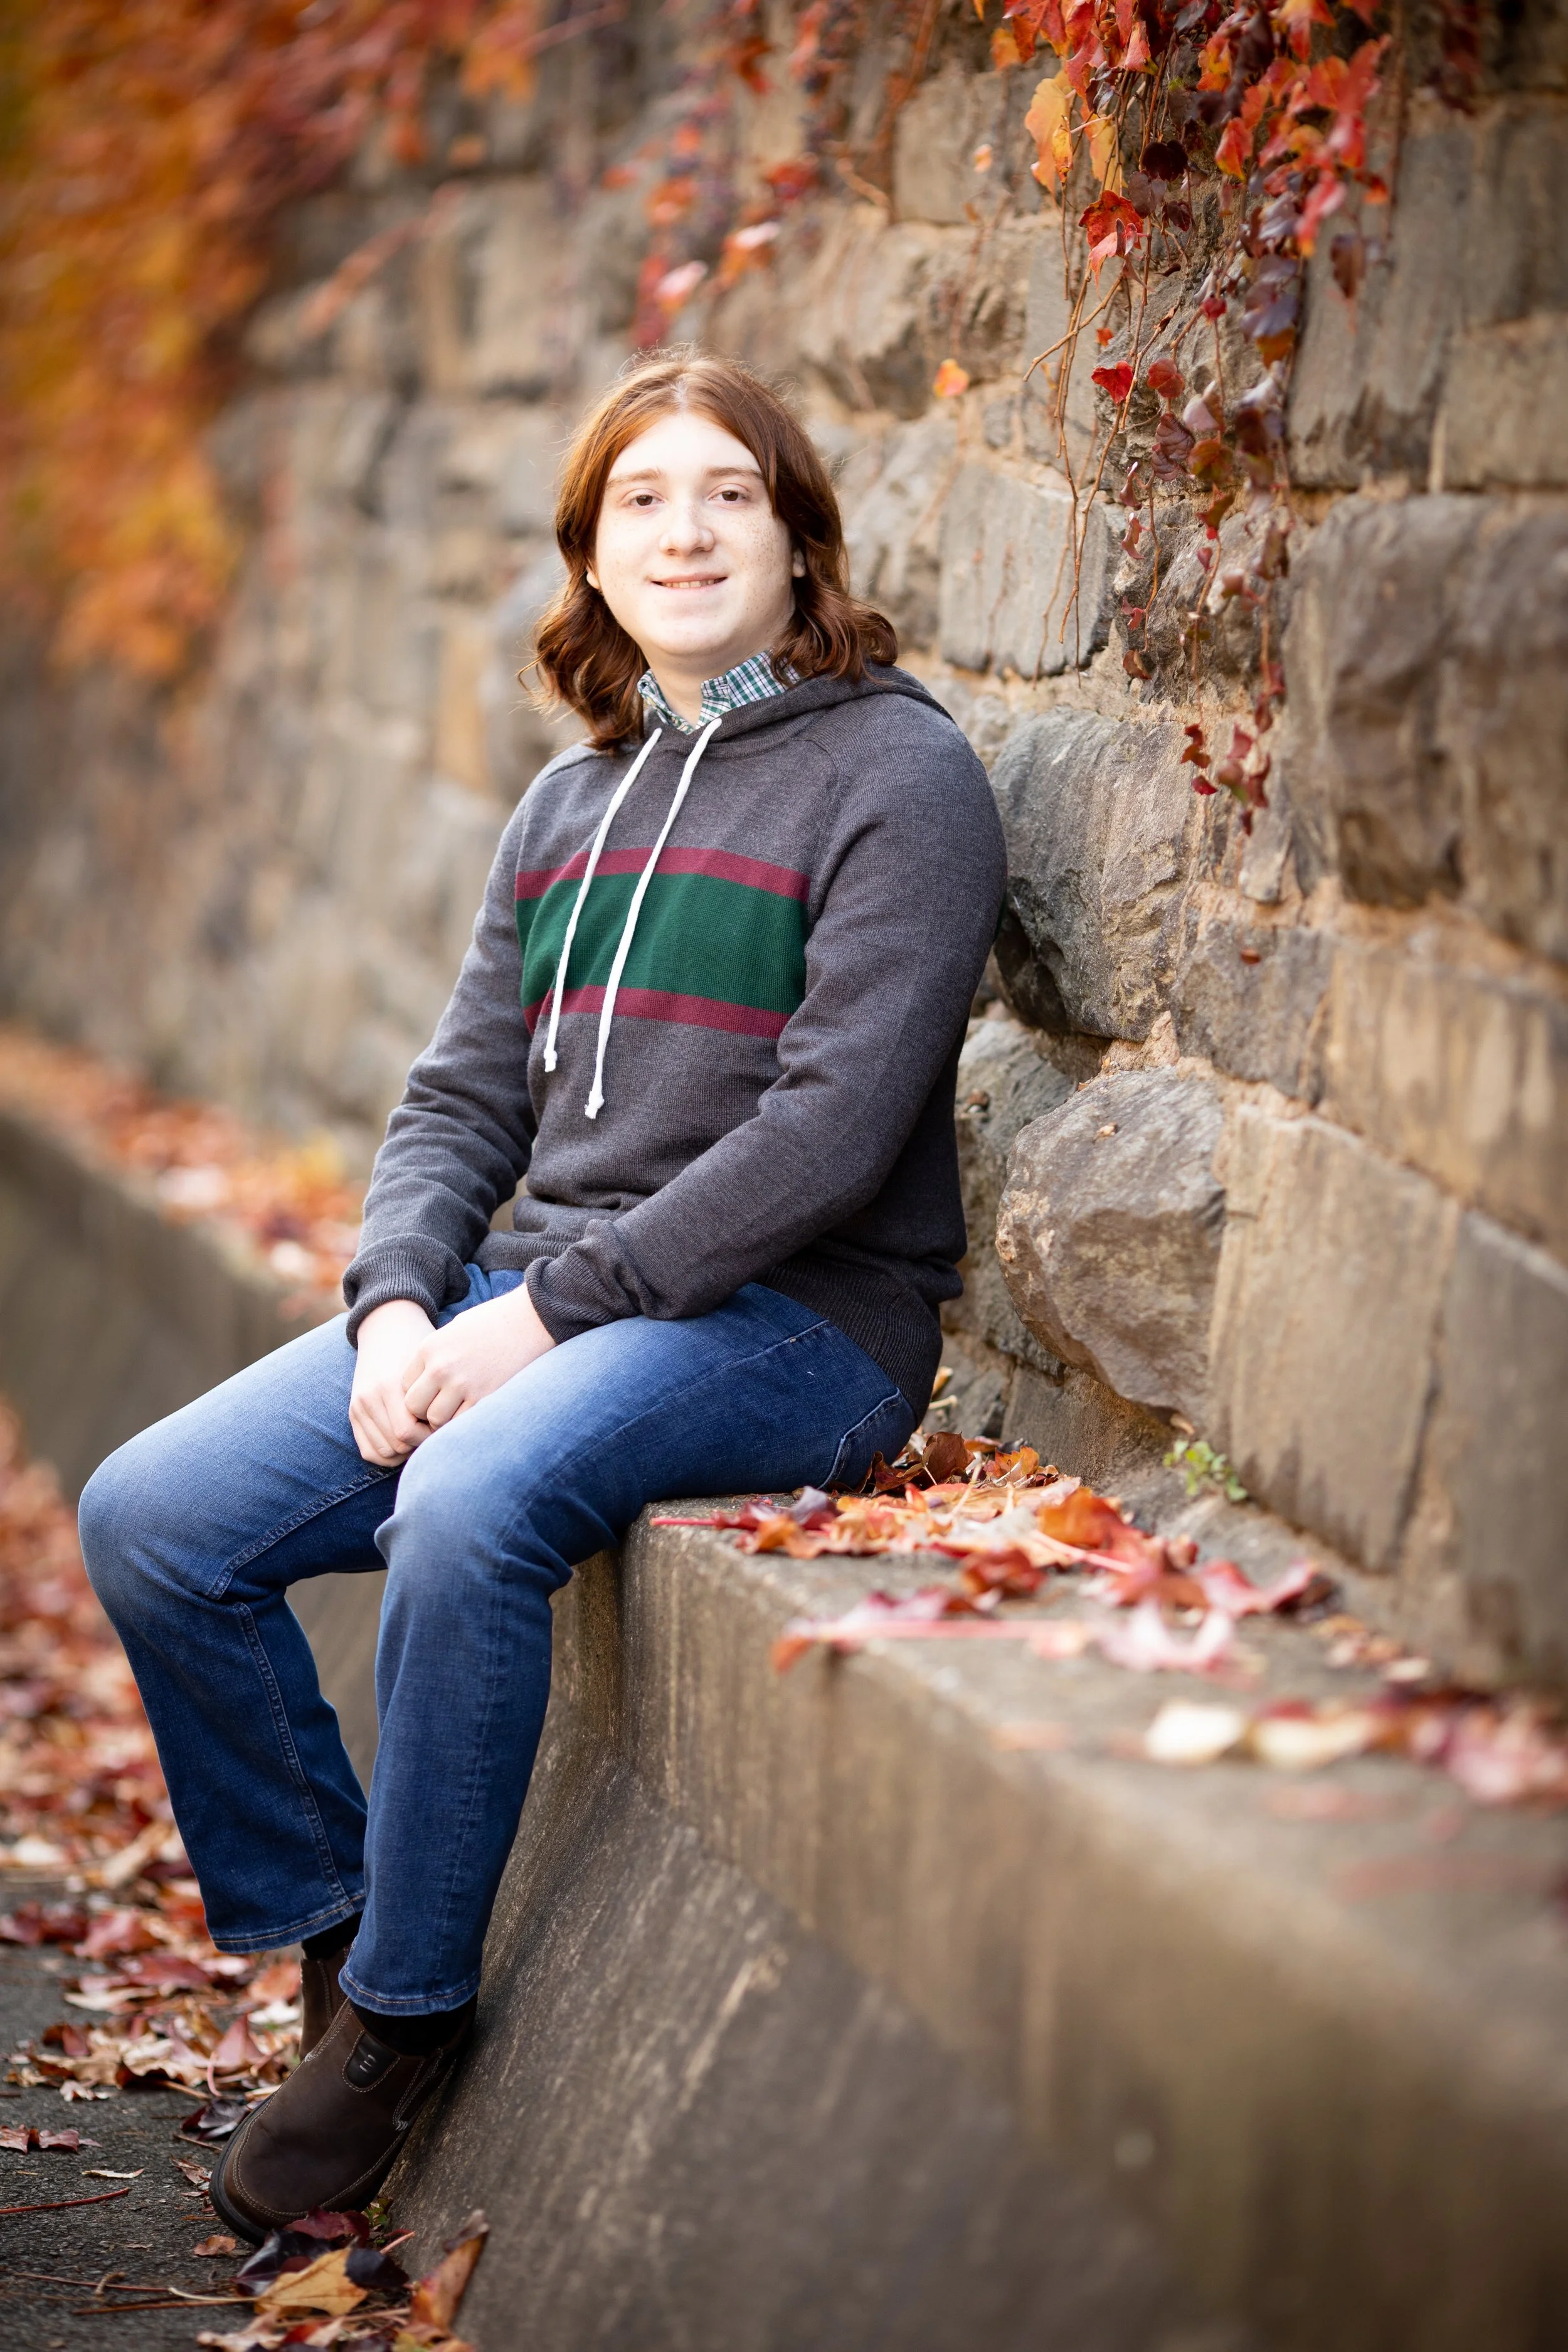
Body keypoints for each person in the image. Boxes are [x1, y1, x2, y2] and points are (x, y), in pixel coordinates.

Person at [77, 350, 1007, 2238]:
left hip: (797, 1323)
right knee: (155, 1516)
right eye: (641, 497)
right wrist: (400, 1307)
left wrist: (548, 1317)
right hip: (543, 1295)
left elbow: (831, 1133)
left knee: (467, 1497)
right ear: (587, 551)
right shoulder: (569, 807)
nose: (683, 529)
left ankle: (410, 2023)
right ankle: (348, 1943)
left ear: (796, 534)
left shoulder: (895, 772)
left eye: (726, 493)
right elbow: (452, 1100)